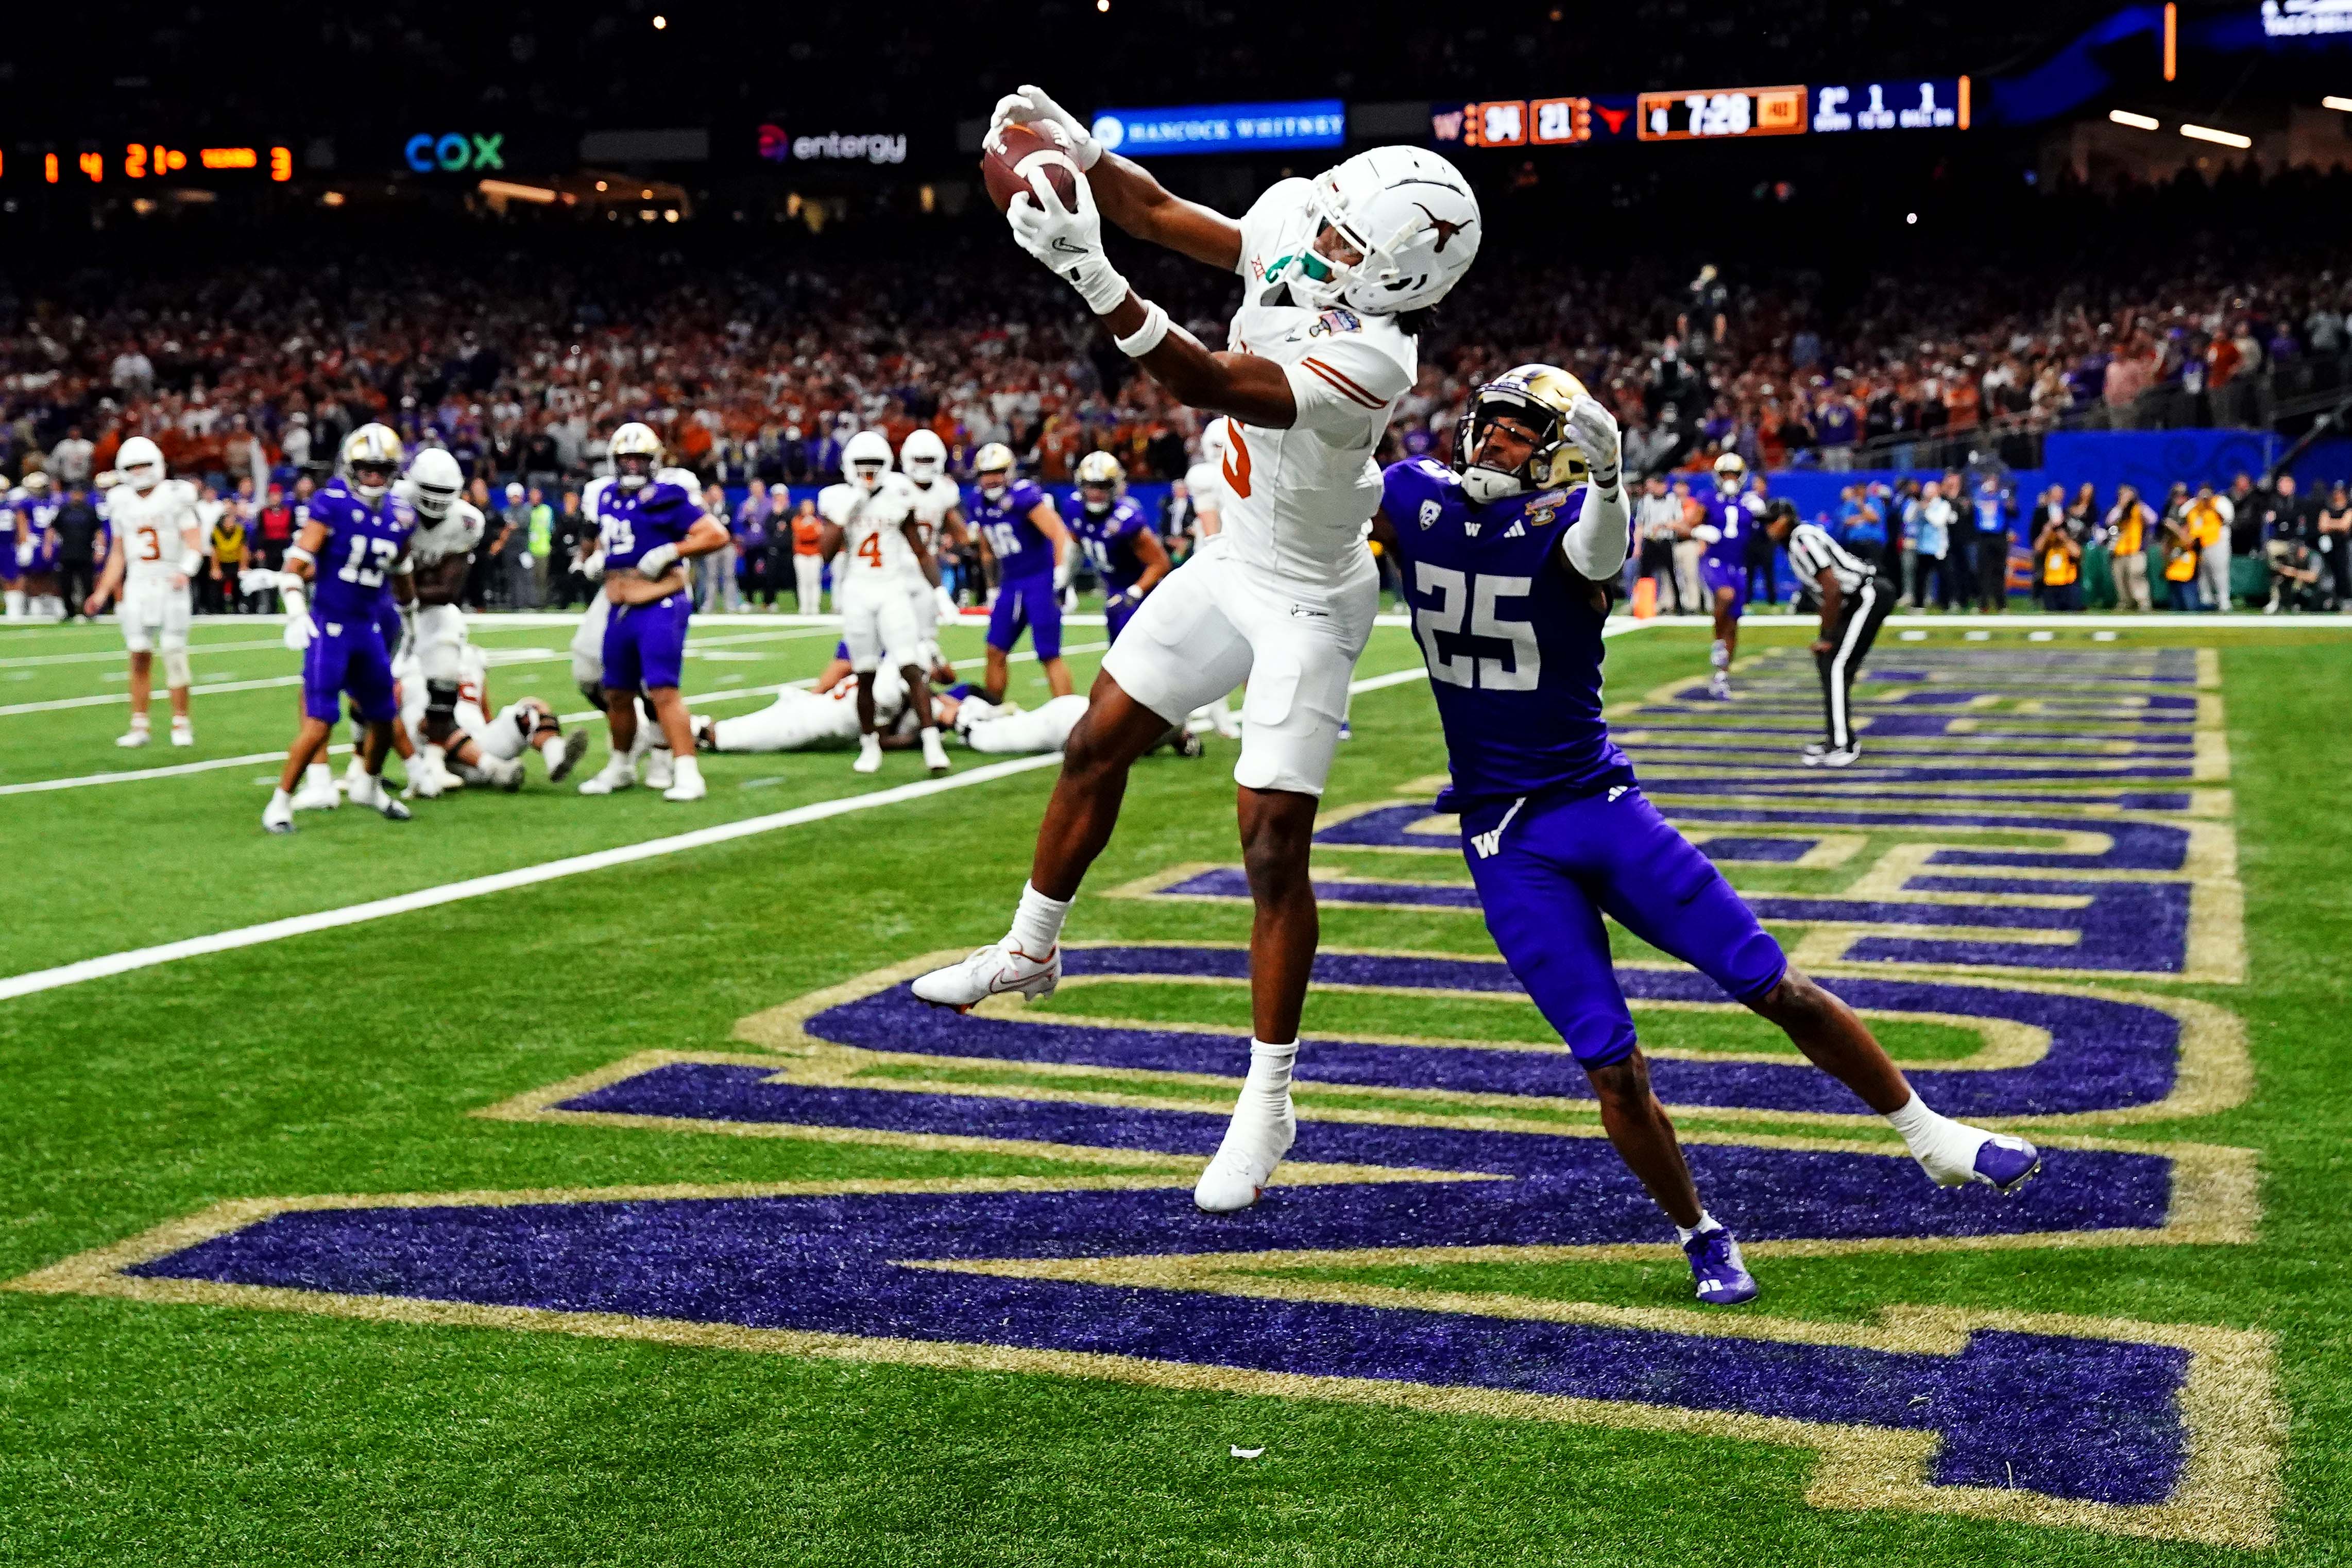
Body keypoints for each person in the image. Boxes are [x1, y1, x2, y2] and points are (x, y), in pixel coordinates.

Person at [912, 92, 1483, 1216]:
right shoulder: (1300, 219)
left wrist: (1090, 278)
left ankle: (1270, 1103)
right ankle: (1031, 950)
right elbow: (1160, 209)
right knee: (1096, 742)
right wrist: (1081, 150)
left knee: (1270, 847)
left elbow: (1211, 383)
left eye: (1344, 245)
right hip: (1232, 557)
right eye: (1326, 221)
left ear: (1401, 281)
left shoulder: (1376, 357)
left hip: (1313, 598)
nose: (1315, 244)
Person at [1368, 365, 2038, 1307]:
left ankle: (1935, 1136)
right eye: (1489, 425)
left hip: (1599, 806)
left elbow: (1601, 553)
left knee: (1776, 984)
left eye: (1521, 433)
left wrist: (1608, 479)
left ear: (1560, 453)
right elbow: (1326, 506)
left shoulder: (1575, 520)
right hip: (1506, 839)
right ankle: (1701, 1233)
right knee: (1611, 1061)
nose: (1494, 442)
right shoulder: (1410, 496)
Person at [260, 424, 416, 833]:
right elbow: (293, 569)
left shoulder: (401, 515)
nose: (374, 475)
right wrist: (296, 614)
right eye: (366, 468)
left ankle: (368, 783)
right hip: (331, 626)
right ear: (351, 467)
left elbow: (401, 570)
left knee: (384, 717)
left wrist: (411, 616)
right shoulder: (331, 505)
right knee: (321, 720)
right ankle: (280, 802)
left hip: (369, 629)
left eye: (382, 468)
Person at [572, 421, 730, 803]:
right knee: (617, 693)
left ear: (654, 462)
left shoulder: (668, 496)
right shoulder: (606, 496)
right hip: (619, 606)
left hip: (658, 603)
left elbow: (715, 534)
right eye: (625, 459)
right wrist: (597, 561)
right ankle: (621, 765)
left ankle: (687, 770)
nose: (631, 467)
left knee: (662, 691)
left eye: (639, 459)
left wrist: (673, 551)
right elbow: (608, 542)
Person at [815, 430, 953, 777]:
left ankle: (932, 741)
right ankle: (869, 744)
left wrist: (940, 593)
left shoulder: (898, 496)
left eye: (875, 464)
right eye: (862, 464)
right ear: (849, 466)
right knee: (865, 672)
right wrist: (850, 507)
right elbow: (825, 552)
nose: (868, 471)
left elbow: (920, 550)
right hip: (858, 591)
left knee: (911, 667)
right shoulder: (838, 499)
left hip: (893, 589)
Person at [81, 439, 201, 748]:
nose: (139, 472)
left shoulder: (175, 495)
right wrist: (102, 591)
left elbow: (195, 542)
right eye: (133, 467)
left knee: (174, 652)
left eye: (143, 465)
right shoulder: (121, 500)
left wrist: (185, 570)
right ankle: (139, 725)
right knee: (138, 653)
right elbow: (117, 553)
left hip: (169, 578)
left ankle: (181, 722)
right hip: (137, 582)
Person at [1766, 499, 1893, 768]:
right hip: (1855, 598)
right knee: (1829, 663)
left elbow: (1832, 588)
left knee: (1837, 665)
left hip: (1866, 594)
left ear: (1788, 518)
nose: (1770, 527)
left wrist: (1827, 636)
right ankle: (1835, 736)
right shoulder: (1796, 541)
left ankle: (1844, 744)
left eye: (1774, 520)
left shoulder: (1801, 537)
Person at [389, 448, 486, 798]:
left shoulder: (466, 522)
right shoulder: (390, 503)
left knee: (446, 671)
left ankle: (434, 759)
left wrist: (403, 585)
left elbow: (448, 590)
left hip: (428, 609)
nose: (435, 502)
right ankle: (361, 766)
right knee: (370, 681)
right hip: (384, 608)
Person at [395, 638, 586, 788]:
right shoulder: (407, 661)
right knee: (438, 721)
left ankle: (556, 756)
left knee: (532, 707)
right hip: (438, 753)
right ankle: (494, 769)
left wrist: (496, 734)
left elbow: (483, 708)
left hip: (479, 740)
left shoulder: (472, 655)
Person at [967, 441, 1075, 703]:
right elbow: (986, 549)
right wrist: (992, 587)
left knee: (1048, 653)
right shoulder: (976, 502)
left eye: (997, 472)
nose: (991, 479)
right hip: (1011, 584)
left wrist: (1063, 577)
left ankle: (1068, 715)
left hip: (1041, 580)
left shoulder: (1023, 496)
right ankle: (992, 710)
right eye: (985, 473)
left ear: (1009, 472)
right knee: (995, 650)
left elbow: (1058, 533)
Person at [1067, 450, 1173, 644]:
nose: (1095, 493)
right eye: (1090, 486)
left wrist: (1133, 593)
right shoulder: (1074, 508)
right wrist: (1063, 580)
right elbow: (1075, 545)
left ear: (1114, 487)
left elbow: (1160, 563)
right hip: (1113, 589)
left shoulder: (1126, 518)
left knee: (1136, 656)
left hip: (1141, 593)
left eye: (1102, 486)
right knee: (1116, 653)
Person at [898, 428, 970, 669]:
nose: (924, 465)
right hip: (895, 570)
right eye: (920, 460)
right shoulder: (894, 488)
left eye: (929, 460)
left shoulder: (945, 491)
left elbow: (961, 534)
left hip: (926, 573)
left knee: (925, 641)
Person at [1695, 451, 1760, 697]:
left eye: (1734, 474)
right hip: (1715, 560)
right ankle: (1717, 643)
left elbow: (1764, 533)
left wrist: (1762, 513)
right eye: (1725, 474)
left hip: (1739, 565)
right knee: (1725, 595)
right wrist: (1698, 532)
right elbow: (1690, 524)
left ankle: (1721, 676)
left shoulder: (1750, 502)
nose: (1729, 478)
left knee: (1734, 624)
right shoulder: (1709, 499)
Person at [2105, 484, 2155, 611]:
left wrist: (2136, 502)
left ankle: (2143, 603)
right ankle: (2125, 602)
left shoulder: (2140, 508)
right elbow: (2109, 521)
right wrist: (2122, 505)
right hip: (2119, 551)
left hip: (2136, 550)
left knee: (2136, 576)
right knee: (2120, 579)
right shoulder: (2117, 510)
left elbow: (2153, 519)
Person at [1969, 473, 2015, 612]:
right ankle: (1983, 604)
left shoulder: (2002, 496)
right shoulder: (1978, 495)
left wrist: (2010, 505)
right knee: (1983, 571)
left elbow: (2013, 512)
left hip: (1999, 537)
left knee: (1999, 570)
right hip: (1983, 537)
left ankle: (2001, 605)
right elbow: (1971, 509)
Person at [2033, 497, 2085, 611]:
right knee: (2052, 612)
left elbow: (2077, 553)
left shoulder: (2069, 538)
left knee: (2073, 610)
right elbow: (2037, 549)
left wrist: (2064, 539)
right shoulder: (2048, 541)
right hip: (2051, 584)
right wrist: (2046, 533)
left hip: (2068, 584)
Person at [790, 498, 825, 613]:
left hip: (815, 554)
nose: (807, 509)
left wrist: (809, 531)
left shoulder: (818, 521)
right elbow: (801, 535)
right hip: (801, 555)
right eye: (805, 507)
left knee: (815, 581)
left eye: (810, 507)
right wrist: (810, 530)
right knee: (802, 582)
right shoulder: (796, 520)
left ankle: (815, 607)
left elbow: (818, 535)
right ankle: (804, 607)